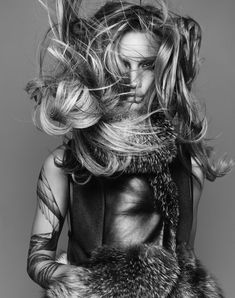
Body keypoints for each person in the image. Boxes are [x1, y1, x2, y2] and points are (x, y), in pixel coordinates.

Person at [26, 0, 232, 297]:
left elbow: (186, 257)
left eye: (146, 65)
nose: (132, 81)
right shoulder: (64, 164)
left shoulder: (190, 166)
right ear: (102, 67)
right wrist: (83, 283)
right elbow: (38, 259)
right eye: (122, 64)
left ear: (161, 70)